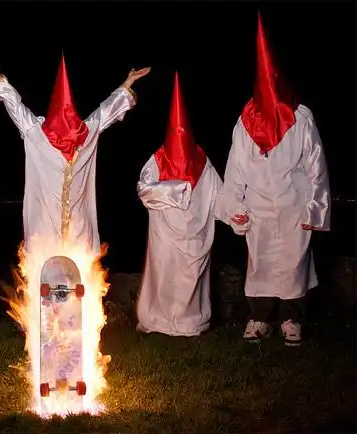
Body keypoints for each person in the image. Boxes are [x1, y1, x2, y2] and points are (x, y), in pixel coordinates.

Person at [218, 14, 331, 346]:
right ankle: (260, 317)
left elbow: (316, 165)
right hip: (259, 208)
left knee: (294, 264)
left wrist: (314, 207)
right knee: (261, 263)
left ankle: (292, 319)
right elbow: (235, 169)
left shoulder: (301, 118)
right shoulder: (245, 124)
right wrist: (235, 206)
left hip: (293, 204)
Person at [0, 56, 150, 253]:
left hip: (78, 226)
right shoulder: (37, 133)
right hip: (45, 225)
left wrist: (128, 83)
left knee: (79, 262)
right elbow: (15, 106)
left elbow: (108, 110)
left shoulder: (85, 134)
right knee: (44, 262)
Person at [136, 72, 224, 337]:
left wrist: (236, 213)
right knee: (165, 275)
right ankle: (160, 320)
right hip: (164, 233)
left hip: (194, 236)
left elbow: (219, 195)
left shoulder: (202, 162)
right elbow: (144, 189)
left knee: (190, 277)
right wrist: (177, 189)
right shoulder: (157, 160)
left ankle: (189, 321)